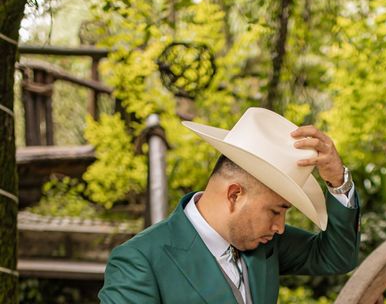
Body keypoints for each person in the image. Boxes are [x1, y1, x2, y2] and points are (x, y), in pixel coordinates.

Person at [99, 107, 360, 303]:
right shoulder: (138, 261)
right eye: (275, 211)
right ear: (235, 195)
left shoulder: (267, 242)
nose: (280, 227)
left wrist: (338, 181)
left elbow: (336, 257)